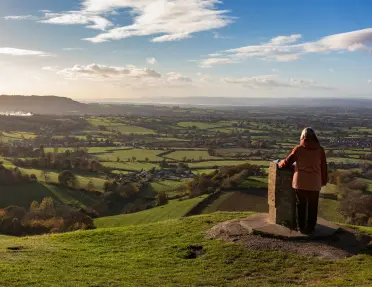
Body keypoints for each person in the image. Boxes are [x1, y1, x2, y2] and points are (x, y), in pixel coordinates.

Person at [278, 127, 328, 234]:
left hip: (300, 182)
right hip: (315, 183)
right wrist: (323, 181)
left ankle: (301, 228)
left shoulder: (299, 149)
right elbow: (324, 167)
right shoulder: (320, 150)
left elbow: (287, 163)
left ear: (303, 137)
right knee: (313, 206)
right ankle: (310, 228)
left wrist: (279, 163)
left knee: (300, 205)